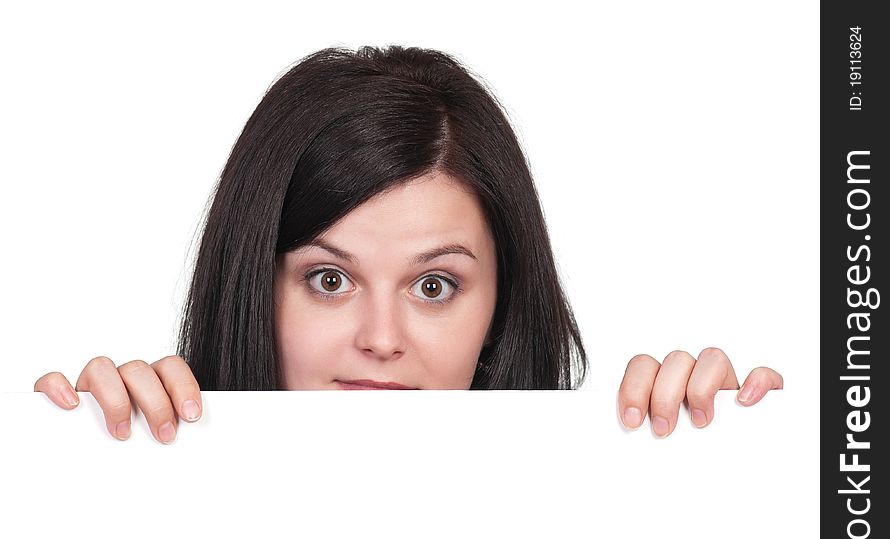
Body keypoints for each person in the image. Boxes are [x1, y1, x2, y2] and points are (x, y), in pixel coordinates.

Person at [33, 46, 782, 444]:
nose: (382, 340)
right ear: (251, 285)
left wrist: (717, 469)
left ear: (503, 306)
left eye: (434, 287)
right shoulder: (124, 481)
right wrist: (77, 471)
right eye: (329, 280)